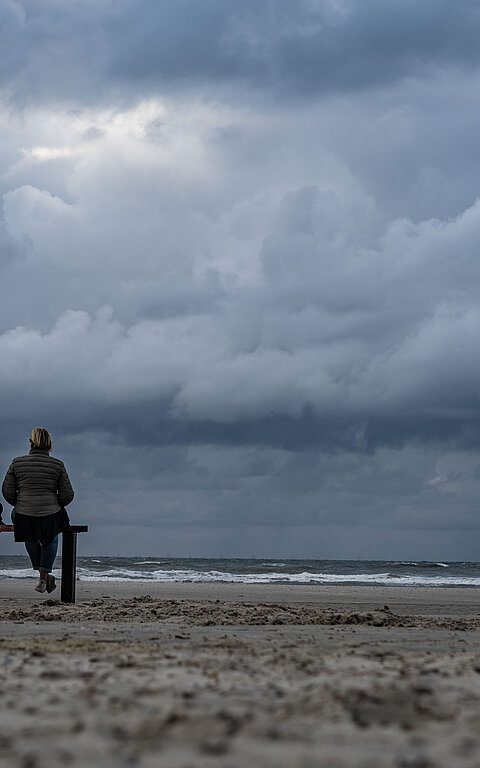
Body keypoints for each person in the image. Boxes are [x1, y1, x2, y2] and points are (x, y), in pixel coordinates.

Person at [2, 428, 74, 594]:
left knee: (29, 534)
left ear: (31, 443)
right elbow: (67, 495)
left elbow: (7, 491)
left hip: (23, 513)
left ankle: (42, 577)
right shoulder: (58, 465)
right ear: (49, 445)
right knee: (51, 537)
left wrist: (19, 502)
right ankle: (43, 578)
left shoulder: (16, 463)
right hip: (50, 513)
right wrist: (56, 503)